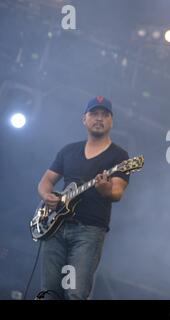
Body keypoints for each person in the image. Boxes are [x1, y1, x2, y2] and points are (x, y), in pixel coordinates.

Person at [37, 96, 130, 299]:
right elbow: (46, 181)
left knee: (75, 294)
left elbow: (117, 192)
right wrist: (47, 196)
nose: (99, 118)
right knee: (49, 292)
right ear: (84, 119)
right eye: (94, 114)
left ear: (111, 121)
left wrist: (105, 189)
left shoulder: (120, 157)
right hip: (55, 227)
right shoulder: (69, 150)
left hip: (89, 231)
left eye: (105, 115)